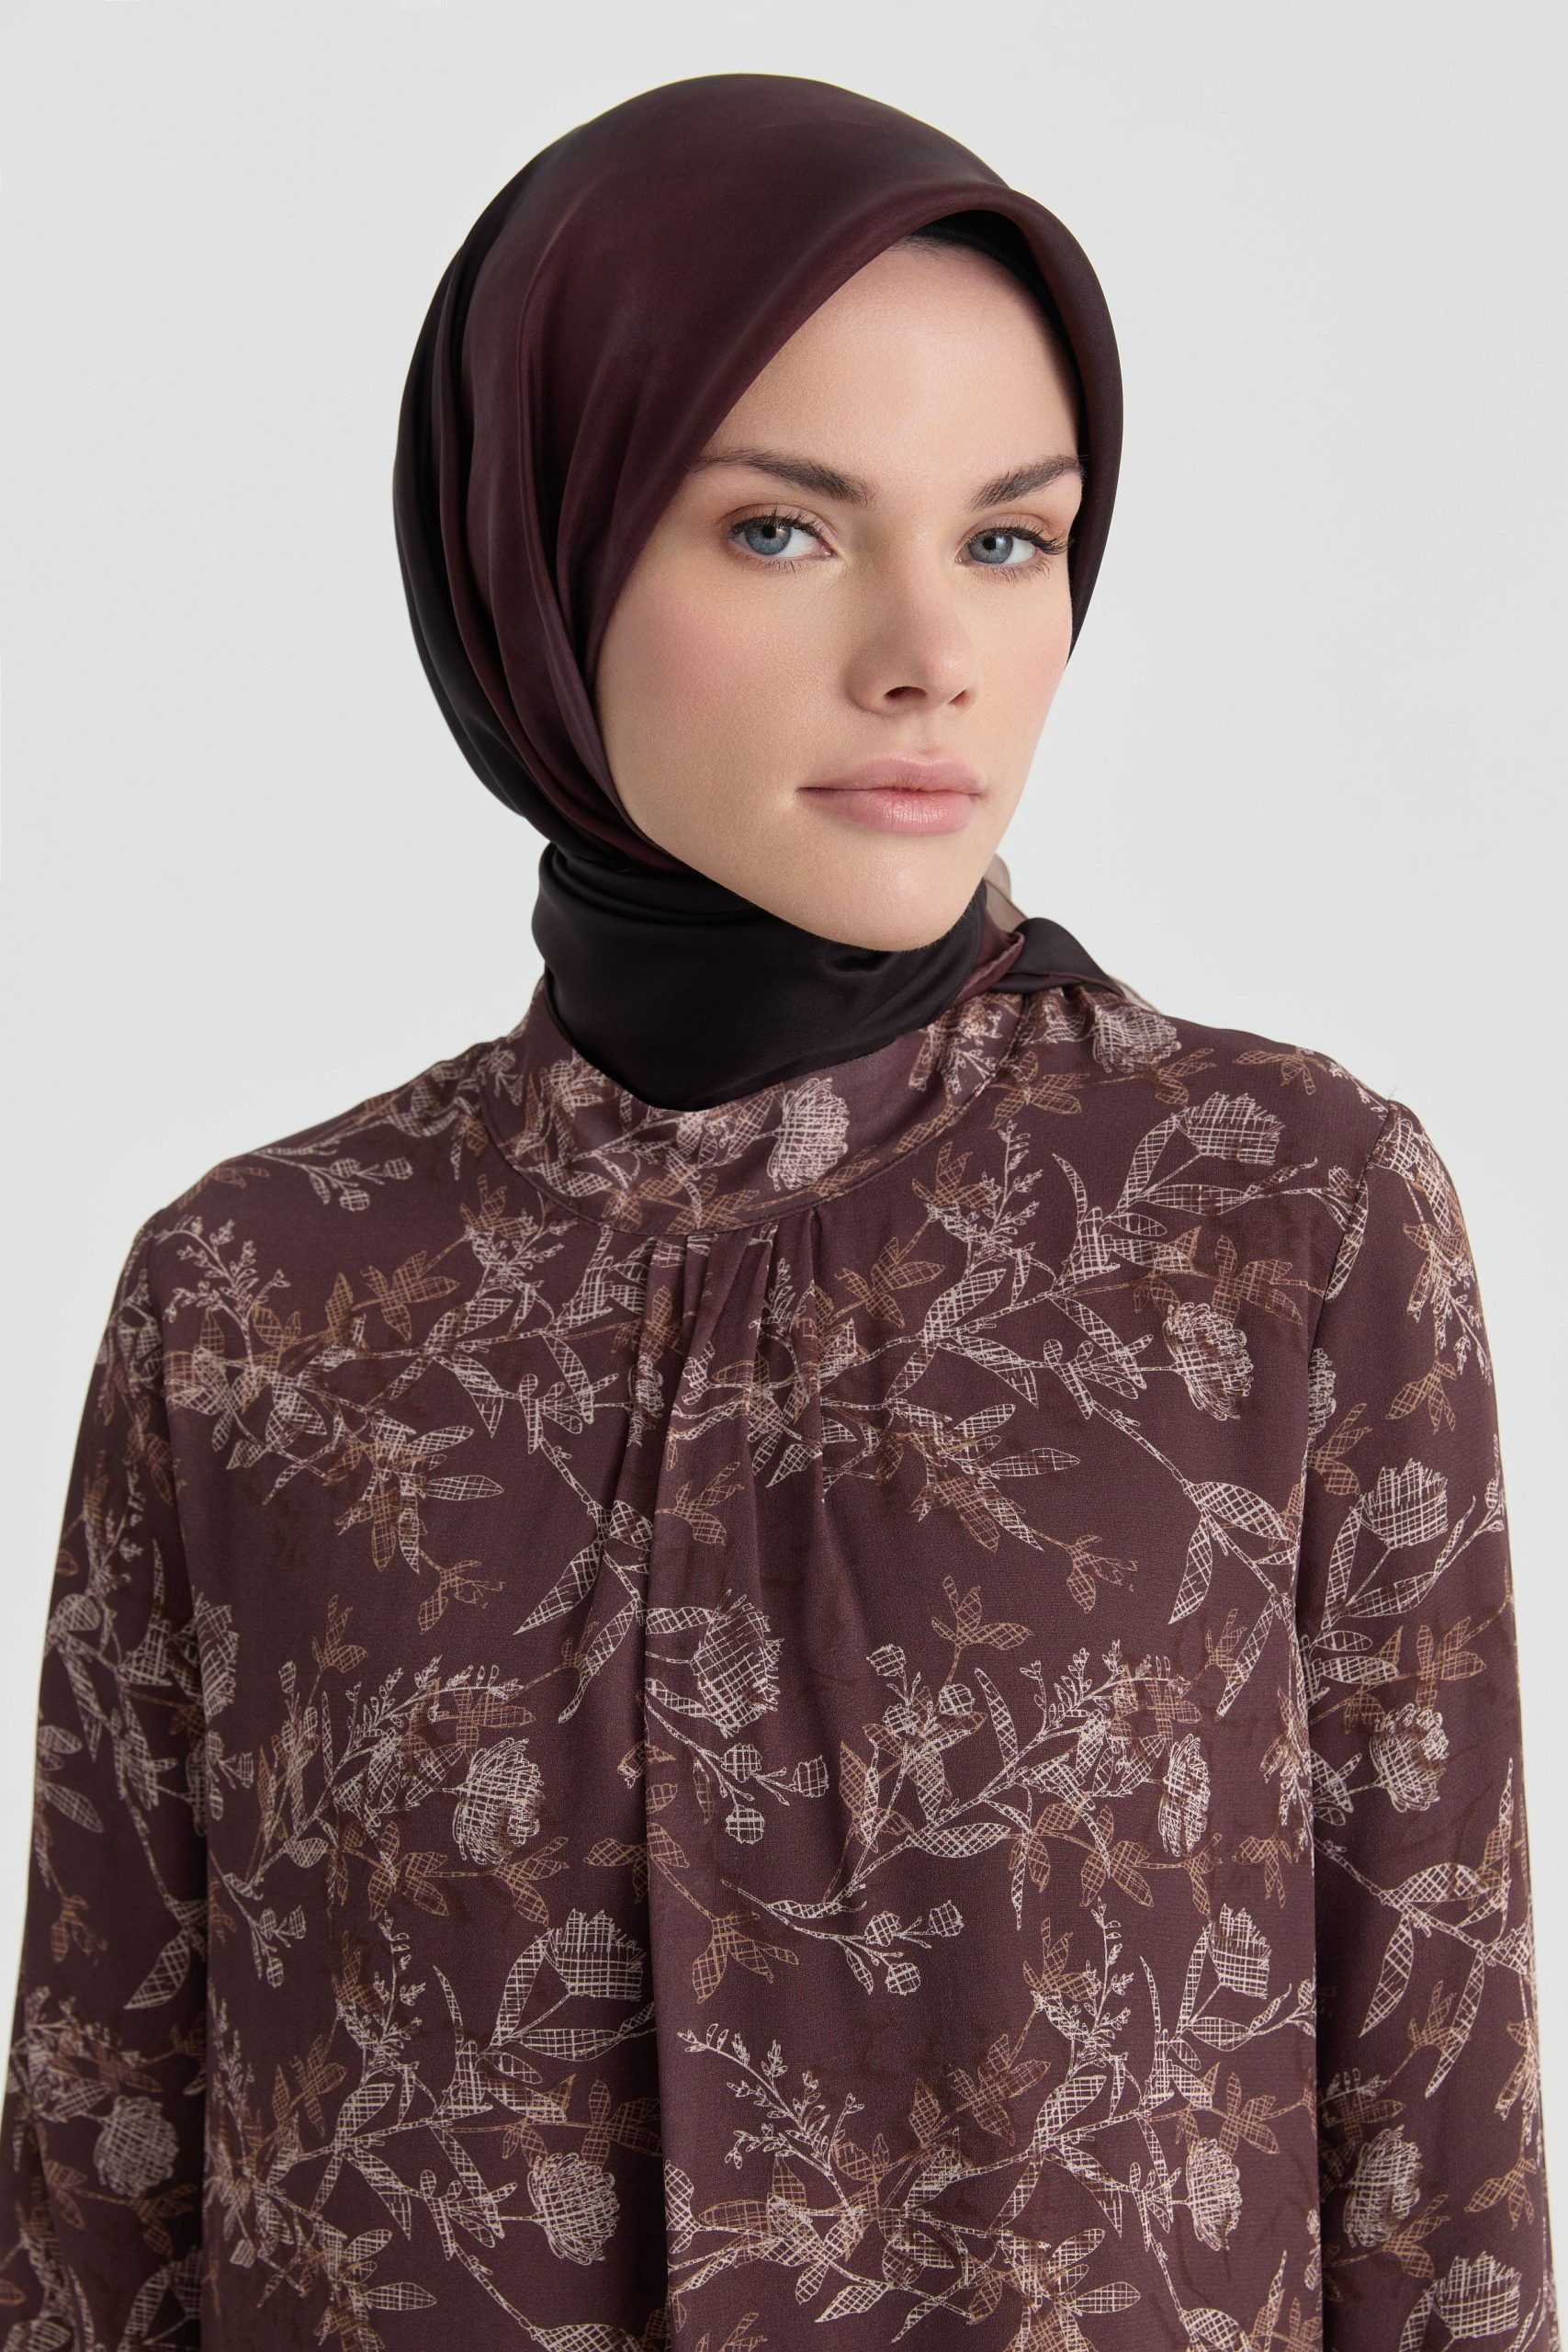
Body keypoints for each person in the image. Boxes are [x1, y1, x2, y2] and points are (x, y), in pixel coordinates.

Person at [0, 68, 1555, 2351]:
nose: (930, 650)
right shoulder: (258, 1304)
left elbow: (1440, 2163)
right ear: (538, 563)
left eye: (1008, 539)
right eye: (778, 529)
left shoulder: (1280, 1225)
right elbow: (97, 2202)